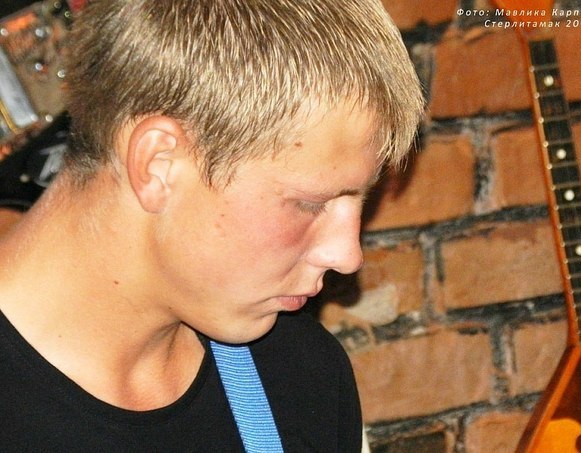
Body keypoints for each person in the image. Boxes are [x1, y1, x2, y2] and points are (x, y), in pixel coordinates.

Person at [0, 0, 423, 451]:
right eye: (310, 203)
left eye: (359, 200)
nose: (347, 256)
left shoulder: (299, 375)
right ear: (158, 165)